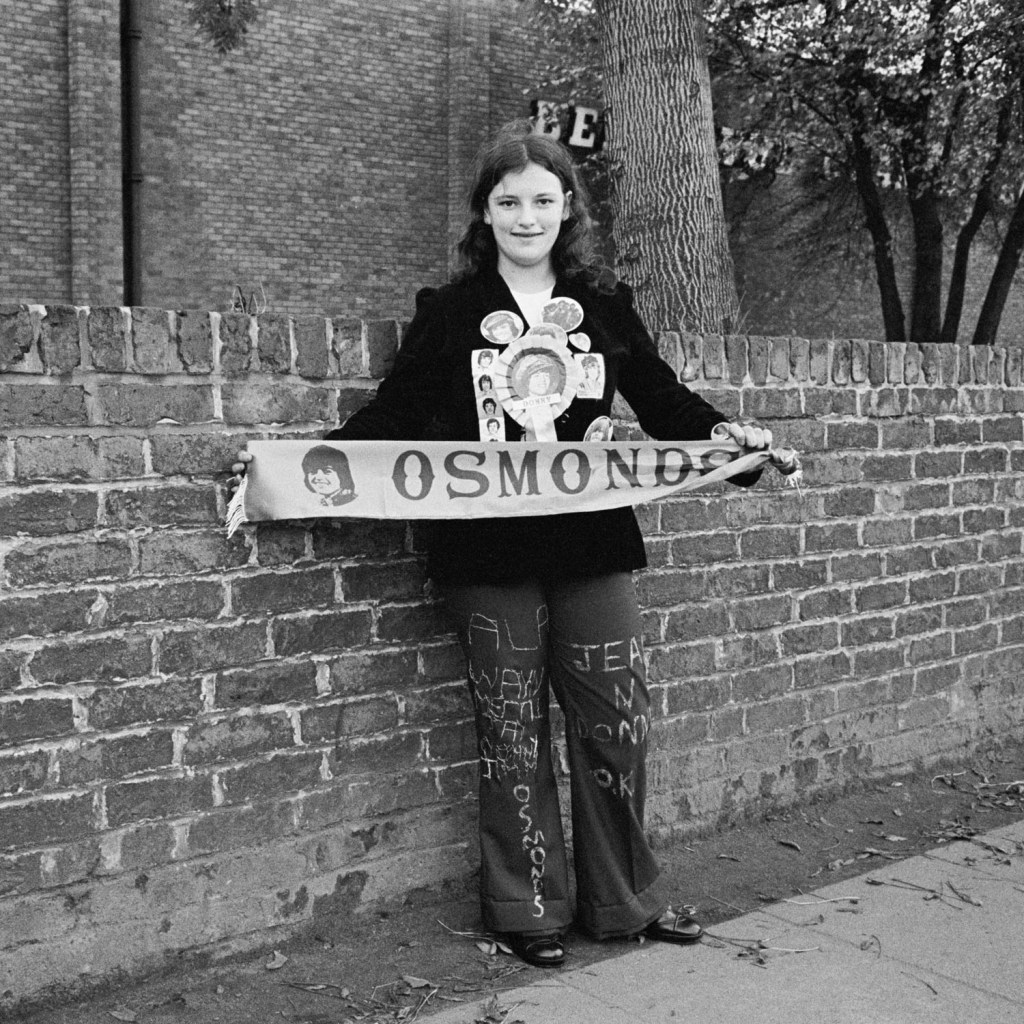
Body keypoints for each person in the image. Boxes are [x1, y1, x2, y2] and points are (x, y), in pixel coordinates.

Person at [232, 121, 775, 969]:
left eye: (544, 201)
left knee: (615, 722)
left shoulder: (606, 306)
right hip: (486, 556)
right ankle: (528, 909)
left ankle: (623, 902)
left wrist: (729, 438)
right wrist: (302, 465)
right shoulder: (450, 313)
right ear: (485, 213)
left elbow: (663, 400)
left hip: (594, 544)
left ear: (568, 210)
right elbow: (396, 416)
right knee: (512, 728)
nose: (528, 217)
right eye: (510, 201)